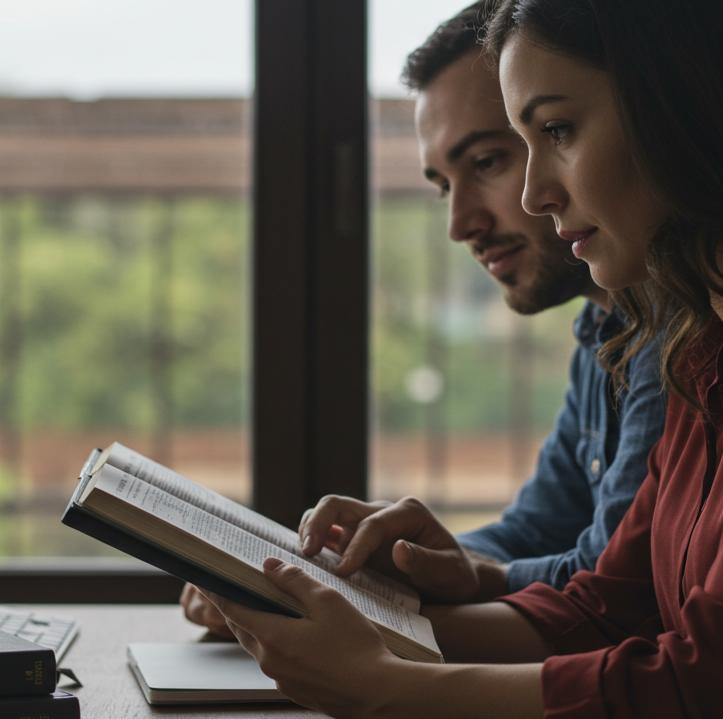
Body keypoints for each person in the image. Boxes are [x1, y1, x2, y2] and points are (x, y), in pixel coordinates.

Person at [201, 0, 723, 719]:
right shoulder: (702, 337)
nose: (533, 194)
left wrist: (381, 685)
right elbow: (610, 610)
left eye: (557, 131)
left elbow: (722, 699)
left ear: (686, 101)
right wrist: (328, 615)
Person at [181, 3, 668, 636]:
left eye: (489, 161)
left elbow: (609, 591)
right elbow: (537, 530)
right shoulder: (607, 331)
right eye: (443, 184)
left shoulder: (684, 331)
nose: (460, 223)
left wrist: (371, 611)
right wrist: (363, 573)